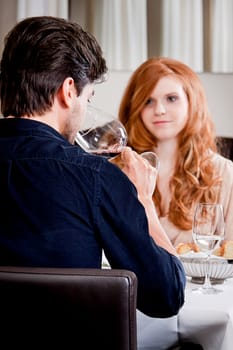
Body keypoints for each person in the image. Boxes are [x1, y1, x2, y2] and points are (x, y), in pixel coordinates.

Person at [0, 17, 185, 318]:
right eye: (89, 97)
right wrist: (143, 199)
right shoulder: (95, 176)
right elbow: (166, 296)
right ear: (69, 90)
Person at [118, 56, 233, 248]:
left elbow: (230, 257)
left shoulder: (224, 173)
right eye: (148, 101)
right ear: (135, 107)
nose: (160, 110)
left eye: (171, 98)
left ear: (192, 102)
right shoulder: (118, 170)